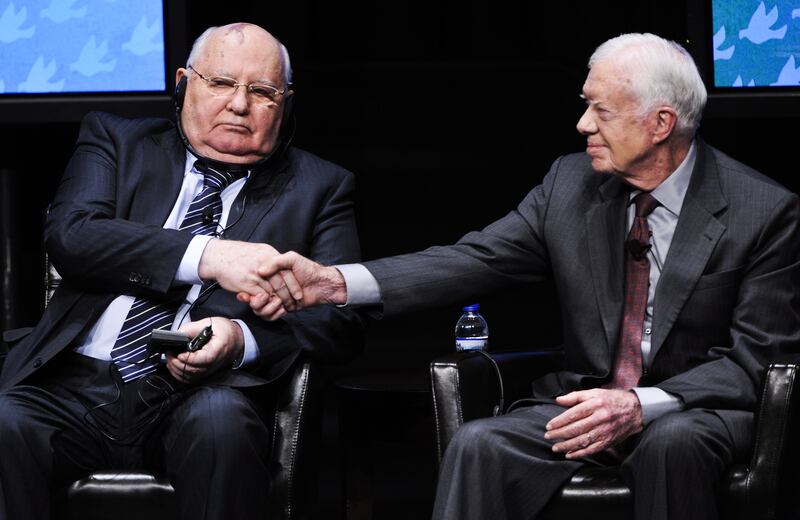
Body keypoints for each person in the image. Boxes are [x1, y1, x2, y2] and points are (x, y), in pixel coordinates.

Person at [249, 33, 800, 519]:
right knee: (478, 443)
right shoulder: (570, 183)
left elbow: (756, 360)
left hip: (694, 412)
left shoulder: (762, 210)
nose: (583, 124)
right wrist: (334, 284)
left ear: (660, 124)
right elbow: (474, 259)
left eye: (601, 111)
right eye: (586, 106)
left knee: (672, 443)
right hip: (586, 401)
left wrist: (639, 406)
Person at [0, 23, 365, 519]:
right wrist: (210, 256)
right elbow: (73, 235)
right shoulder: (118, 141)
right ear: (182, 83)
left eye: (262, 92)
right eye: (219, 83)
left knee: (222, 426)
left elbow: (340, 321)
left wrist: (240, 339)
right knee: (4, 420)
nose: (239, 105)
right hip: (74, 385)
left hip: (202, 394)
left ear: (286, 103)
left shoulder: (320, 188)